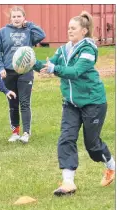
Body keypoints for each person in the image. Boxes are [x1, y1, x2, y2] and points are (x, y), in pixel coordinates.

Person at [34, 11, 115, 196]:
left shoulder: (88, 49)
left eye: (73, 28)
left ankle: (111, 166)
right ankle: (68, 182)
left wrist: (55, 69)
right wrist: (30, 61)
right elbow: (49, 65)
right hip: (71, 103)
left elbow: (76, 71)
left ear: (84, 31)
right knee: (66, 138)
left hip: (93, 102)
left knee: (92, 145)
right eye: (68, 28)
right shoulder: (63, 50)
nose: (69, 30)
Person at [0, 6, 46, 143]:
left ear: (24, 17)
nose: (16, 19)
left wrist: (29, 25)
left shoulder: (28, 31)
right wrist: (0, 68)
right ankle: (15, 132)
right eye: (14, 16)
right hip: (9, 72)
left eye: (19, 16)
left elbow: (41, 35)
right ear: (10, 18)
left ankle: (26, 133)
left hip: (25, 72)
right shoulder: (2, 32)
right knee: (13, 103)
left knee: (24, 102)